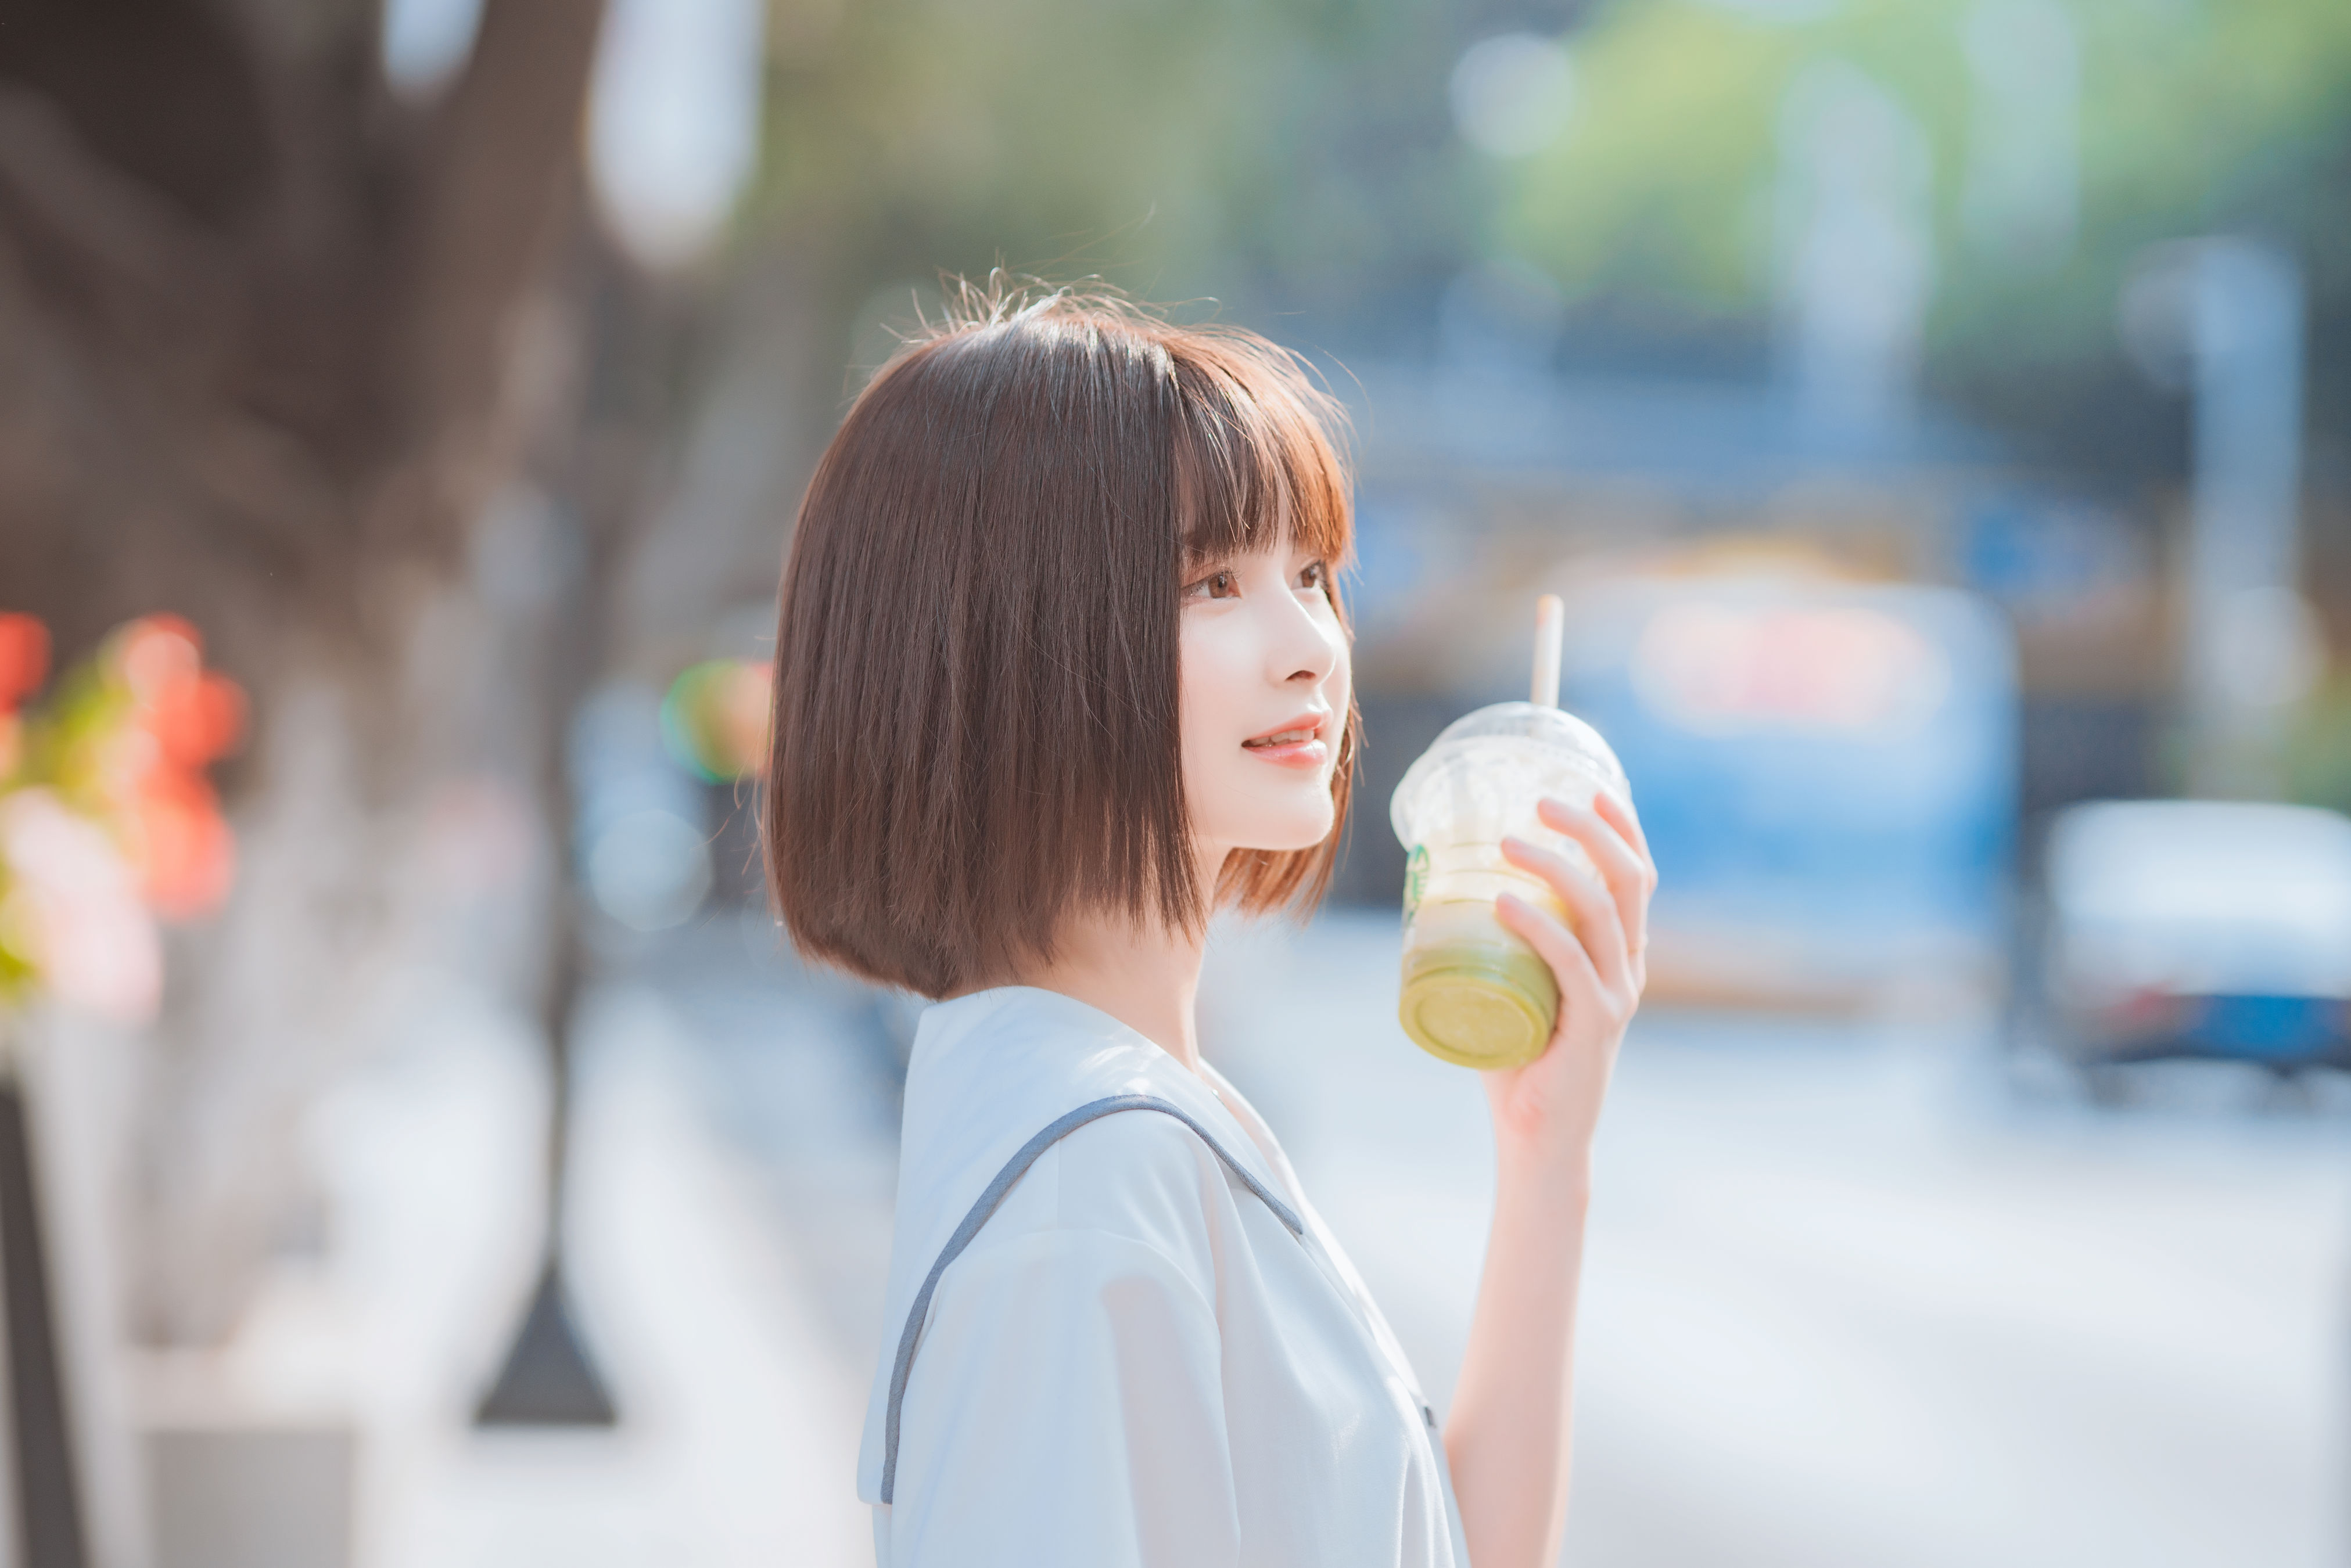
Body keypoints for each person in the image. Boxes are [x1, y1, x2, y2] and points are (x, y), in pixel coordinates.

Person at [762, 282, 1656, 1568]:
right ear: (1008, 645)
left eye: (1309, 574)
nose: (1310, 648)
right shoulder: (1087, 1179)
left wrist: (1544, 1155)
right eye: (1209, 583)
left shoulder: (1120, 1115)